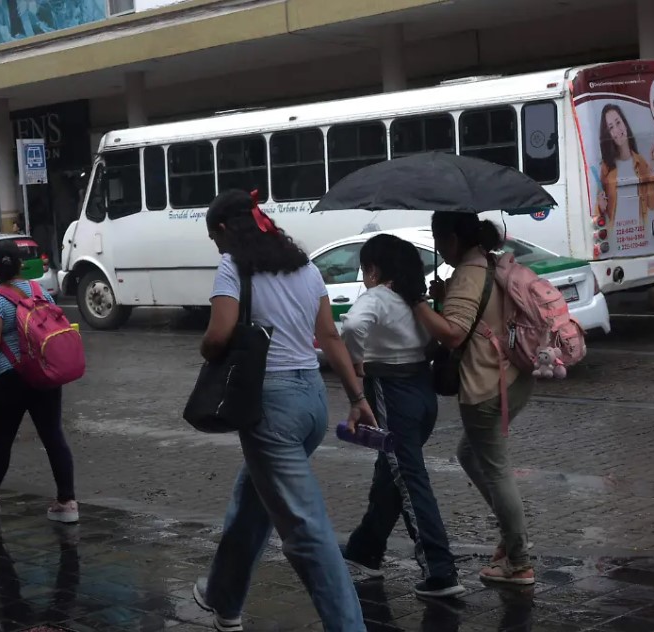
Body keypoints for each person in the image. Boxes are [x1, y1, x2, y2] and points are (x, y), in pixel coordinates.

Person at [193, 190, 374, 631]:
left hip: (270, 409)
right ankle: (223, 598)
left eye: (213, 238)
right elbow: (329, 337)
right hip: (312, 402)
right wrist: (357, 398)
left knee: (307, 531)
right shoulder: (305, 268)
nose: (216, 247)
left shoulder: (232, 266)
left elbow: (219, 334)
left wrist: (207, 348)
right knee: (252, 501)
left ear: (224, 230)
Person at [413, 213, 536, 586]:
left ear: (451, 239)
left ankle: (518, 560)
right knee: (469, 454)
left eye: (438, 239)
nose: (437, 247)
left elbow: (453, 334)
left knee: (496, 470)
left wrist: (419, 304)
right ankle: (511, 536)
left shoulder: (468, 273)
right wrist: (444, 299)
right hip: (514, 376)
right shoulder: (490, 262)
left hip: (485, 384)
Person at [340, 234, 462, 598]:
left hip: (392, 394)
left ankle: (439, 569)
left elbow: (351, 326)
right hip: (423, 393)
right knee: (390, 473)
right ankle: (365, 549)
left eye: (364, 270)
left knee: (408, 478)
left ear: (373, 270)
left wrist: (357, 364)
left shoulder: (377, 297)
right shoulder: (417, 300)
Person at [0, 243, 79, 523]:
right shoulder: (40, 291)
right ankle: (67, 502)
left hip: (11, 379)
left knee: (2, 440)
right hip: (45, 374)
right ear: (20, 265)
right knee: (53, 436)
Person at [595, 104, 654, 227]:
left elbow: (652, 204)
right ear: (608, 134)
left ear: (625, 123)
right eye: (611, 127)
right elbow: (598, 210)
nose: (617, 130)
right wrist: (600, 206)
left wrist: (652, 168)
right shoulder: (606, 168)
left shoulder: (641, 162)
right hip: (616, 234)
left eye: (618, 123)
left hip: (639, 233)